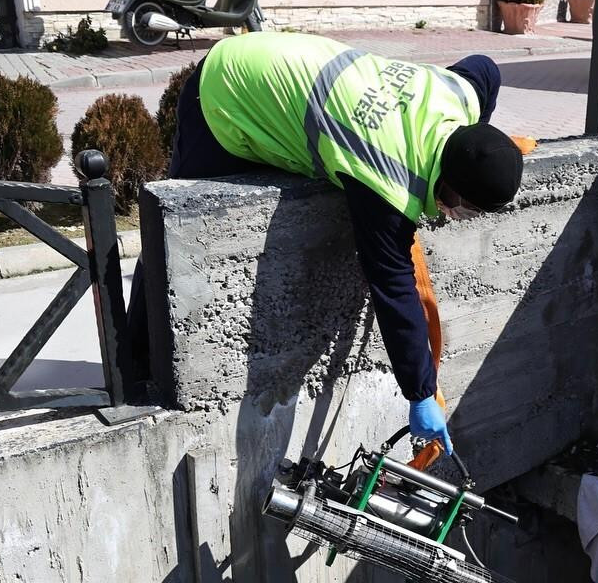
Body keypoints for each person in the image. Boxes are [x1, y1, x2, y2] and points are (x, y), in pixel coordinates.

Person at [139, 32, 524, 456]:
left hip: (280, 57)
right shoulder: (388, 180)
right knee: (170, 232)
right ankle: (136, 363)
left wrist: (483, 152)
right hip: (226, 89)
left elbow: (486, 67)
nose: (453, 216)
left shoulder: (458, 98)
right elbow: (394, 289)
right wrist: (421, 394)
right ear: (446, 182)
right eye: (459, 206)